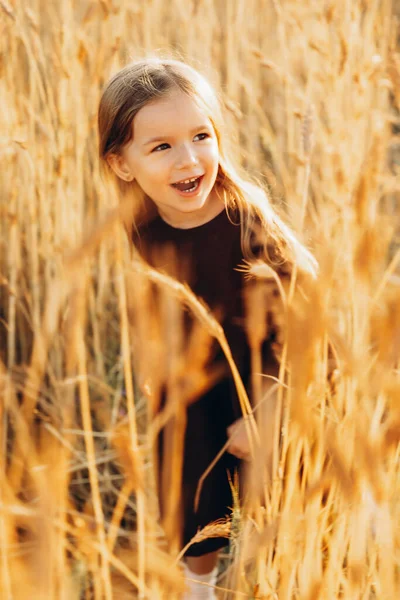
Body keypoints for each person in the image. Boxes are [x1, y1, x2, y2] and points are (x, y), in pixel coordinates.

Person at [97, 57, 316, 599]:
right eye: (162, 146)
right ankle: (200, 586)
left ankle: (288, 578)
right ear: (123, 165)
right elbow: (155, 302)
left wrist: (265, 414)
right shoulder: (140, 225)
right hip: (193, 382)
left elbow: (303, 333)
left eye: (201, 135)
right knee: (189, 492)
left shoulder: (249, 230)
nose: (189, 158)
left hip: (269, 382)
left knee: (277, 500)